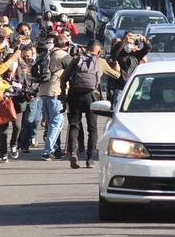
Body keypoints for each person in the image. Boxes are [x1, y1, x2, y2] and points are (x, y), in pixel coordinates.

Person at [60, 39, 118, 169]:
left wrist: (63, 93)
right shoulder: (100, 61)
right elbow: (117, 76)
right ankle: (90, 159)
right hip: (91, 96)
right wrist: (117, 68)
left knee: (74, 125)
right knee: (92, 128)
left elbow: (63, 77)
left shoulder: (76, 59)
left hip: (74, 94)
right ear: (99, 51)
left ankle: (73, 153)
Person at [37, 34, 71, 161]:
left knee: (51, 122)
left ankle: (55, 149)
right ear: (65, 45)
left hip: (44, 91)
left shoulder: (47, 53)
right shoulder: (62, 55)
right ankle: (48, 151)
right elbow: (73, 69)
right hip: (56, 91)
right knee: (57, 122)